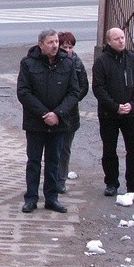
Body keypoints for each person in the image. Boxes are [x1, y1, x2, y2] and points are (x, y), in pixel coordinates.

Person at [17, 29, 80, 214]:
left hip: (59, 122)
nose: (55, 45)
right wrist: (45, 114)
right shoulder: (28, 63)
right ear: (41, 45)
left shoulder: (67, 63)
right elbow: (23, 92)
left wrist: (58, 114)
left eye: (56, 42)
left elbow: (74, 92)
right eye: (50, 42)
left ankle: (52, 198)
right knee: (34, 162)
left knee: (54, 161)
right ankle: (31, 198)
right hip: (36, 123)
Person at [93, 27, 134, 197]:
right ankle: (111, 183)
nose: (121, 41)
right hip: (109, 115)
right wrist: (115, 106)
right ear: (109, 42)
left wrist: (133, 104)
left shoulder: (133, 60)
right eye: (116, 38)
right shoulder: (102, 62)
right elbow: (99, 89)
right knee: (110, 150)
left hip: (131, 114)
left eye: (122, 37)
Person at [55, 32, 89, 194]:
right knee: (53, 148)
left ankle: (61, 179)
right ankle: (52, 177)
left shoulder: (76, 61)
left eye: (70, 47)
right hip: (54, 112)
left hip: (70, 114)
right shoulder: (54, 62)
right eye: (64, 47)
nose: (68, 50)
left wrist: (71, 101)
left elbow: (83, 86)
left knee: (65, 148)